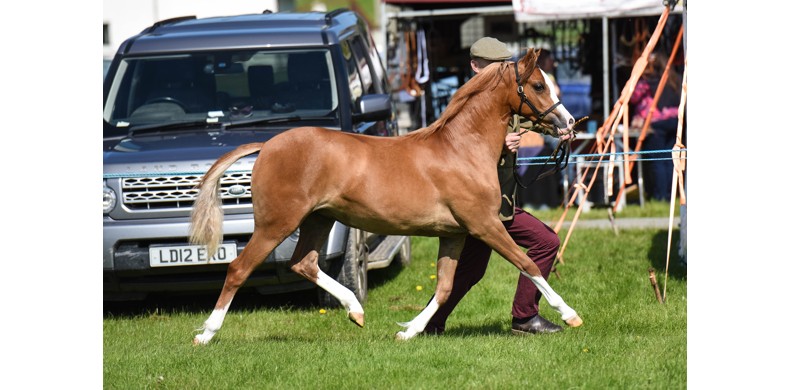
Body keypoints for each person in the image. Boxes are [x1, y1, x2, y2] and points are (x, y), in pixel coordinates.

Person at [423, 37, 571, 336]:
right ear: (475, 67)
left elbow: (529, 115)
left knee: (470, 270)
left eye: (503, 67)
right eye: (494, 67)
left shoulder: (503, 97)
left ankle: (431, 324)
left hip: (497, 200)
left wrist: (559, 126)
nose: (501, 73)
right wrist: (503, 147)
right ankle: (525, 317)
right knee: (546, 242)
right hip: (479, 202)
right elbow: (455, 151)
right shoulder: (467, 103)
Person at [630, 51, 682, 201]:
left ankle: (660, 196)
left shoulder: (648, 82)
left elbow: (633, 96)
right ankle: (669, 194)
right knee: (669, 159)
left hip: (657, 124)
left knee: (657, 160)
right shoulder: (675, 80)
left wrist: (638, 74)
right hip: (674, 121)